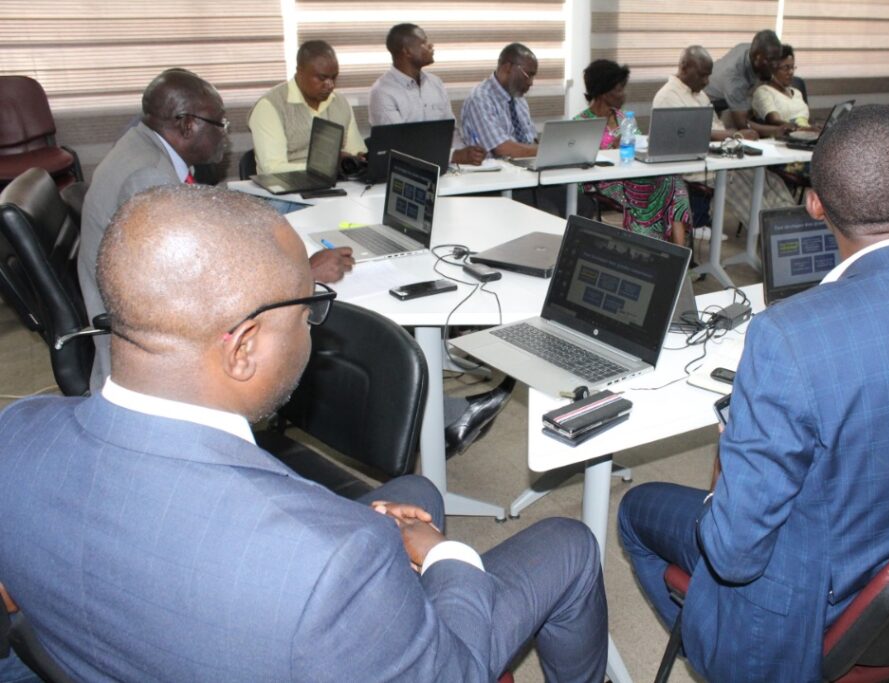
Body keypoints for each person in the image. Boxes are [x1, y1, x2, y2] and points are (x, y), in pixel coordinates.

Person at [0, 185, 609, 682]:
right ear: (242, 348)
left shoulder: (15, 431)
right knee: (570, 542)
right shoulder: (330, 566)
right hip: (321, 602)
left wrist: (355, 532)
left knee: (416, 495)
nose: (313, 328)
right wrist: (447, 557)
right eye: (306, 311)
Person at [618, 105, 889, 682]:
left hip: (814, 619)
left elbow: (734, 555)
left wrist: (732, 461)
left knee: (636, 512)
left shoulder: (786, 337)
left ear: (813, 204)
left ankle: (720, 651)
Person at [79, 68, 353, 393]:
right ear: (187, 124)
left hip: (149, 321)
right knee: (293, 332)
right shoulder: (149, 178)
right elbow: (195, 290)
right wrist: (303, 275)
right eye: (220, 123)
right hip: (149, 359)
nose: (226, 134)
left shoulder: (143, 146)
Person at [575, 60, 692, 245]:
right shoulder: (581, 122)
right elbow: (580, 160)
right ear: (604, 92)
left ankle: (681, 252)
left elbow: (639, 146)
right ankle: (646, 247)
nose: (624, 94)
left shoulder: (624, 117)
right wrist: (608, 149)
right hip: (602, 179)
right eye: (619, 89)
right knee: (644, 191)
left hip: (632, 173)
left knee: (673, 181)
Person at [368, 23, 486, 166]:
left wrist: (469, 155)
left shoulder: (435, 83)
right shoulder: (382, 92)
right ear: (407, 51)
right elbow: (399, 147)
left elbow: (451, 133)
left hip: (449, 170)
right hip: (406, 171)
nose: (431, 46)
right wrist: (453, 156)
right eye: (423, 43)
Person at [249, 40, 367, 175]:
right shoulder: (270, 106)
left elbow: (356, 152)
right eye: (322, 78)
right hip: (288, 184)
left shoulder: (340, 102)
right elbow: (272, 168)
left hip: (339, 183)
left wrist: (357, 159)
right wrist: (326, 166)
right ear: (300, 72)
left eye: (334, 77)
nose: (330, 85)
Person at [652, 46, 756, 142]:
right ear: (684, 69)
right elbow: (689, 133)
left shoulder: (701, 95)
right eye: (702, 75)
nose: (706, 82)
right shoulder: (668, 96)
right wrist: (736, 135)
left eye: (708, 76)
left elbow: (717, 127)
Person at [460, 43, 539, 159]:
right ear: (508, 68)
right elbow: (502, 149)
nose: (531, 82)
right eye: (528, 75)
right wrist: (545, 150)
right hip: (495, 168)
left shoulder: (519, 99)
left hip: (524, 165)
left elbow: (531, 140)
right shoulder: (480, 99)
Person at [703, 29, 783, 136]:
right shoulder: (735, 80)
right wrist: (778, 131)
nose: (776, 64)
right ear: (757, 57)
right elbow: (742, 125)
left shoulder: (751, 49)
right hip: (710, 105)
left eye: (778, 59)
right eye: (771, 59)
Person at [751, 44, 811, 131]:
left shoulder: (797, 93)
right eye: (786, 68)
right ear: (772, 69)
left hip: (806, 135)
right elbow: (774, 120)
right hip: (784, 136)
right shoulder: (763, 92)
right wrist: (806, 129)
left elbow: (806, 119)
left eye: (792, 67)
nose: (791, 72)